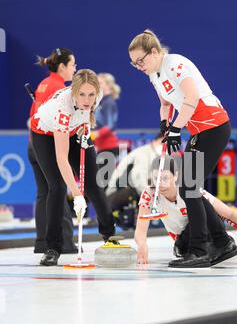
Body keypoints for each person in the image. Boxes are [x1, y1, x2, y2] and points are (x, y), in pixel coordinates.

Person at [128, 29, 237, 268]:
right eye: (134, 63)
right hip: (200, 129)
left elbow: (192, 98)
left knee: (188, 187)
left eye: (140, 60)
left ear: (154, 52)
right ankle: (223, 243)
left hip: (214, 125)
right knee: (190, 187)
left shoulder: (175, 64)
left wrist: (177, 128)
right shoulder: (154, 74)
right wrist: (165, 124)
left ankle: (200, 250)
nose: (138, 66)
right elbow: (165, 103)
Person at [30, 69, 116, 266]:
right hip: (45, 135)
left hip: (75, 131)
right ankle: (52, 247)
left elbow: (87, 111)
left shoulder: (99, 94)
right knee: (57, 187)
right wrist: (77, 194)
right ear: (74, 92)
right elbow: (62, 158)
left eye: (91, 94)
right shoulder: (62, 108)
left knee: (94, 185)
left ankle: (110, 237)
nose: (87, 100)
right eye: (82, 95)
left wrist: (85, 123)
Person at [135, 156, 237, 265]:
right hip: (184, 242)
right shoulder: (149, 194)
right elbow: (140, 230)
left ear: (175, 176)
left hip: (205, 232)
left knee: (203, 202)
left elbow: (229, 213)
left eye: (164, 178)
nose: (160, 184)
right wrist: (142, 244)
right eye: (156, 179)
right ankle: (212, 249)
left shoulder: (188, 190)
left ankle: (225, 243)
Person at [28, 47, 77, 254]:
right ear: (63, 66)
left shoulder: (43, 84)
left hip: (33, 143)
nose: (75, 69)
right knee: (57, 190)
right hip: (47, 145)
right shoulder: (59, 88)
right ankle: (63, 243)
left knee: (44, 193)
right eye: (73, 64)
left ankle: (42, 242)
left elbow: (31, 118)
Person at [106, 132, 163, 212]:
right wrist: (153, 198)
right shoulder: (144, 153)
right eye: (163, 143)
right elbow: (138, 181)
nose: (164, 147)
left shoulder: (157, 157)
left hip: (131, 193)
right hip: (116, 195)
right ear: (155, 141)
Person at [93, 73, 121, 155]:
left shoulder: (108, 103)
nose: (97, 85)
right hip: (102, 147)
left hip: (109, 147)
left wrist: (94, 134)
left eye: (100, 83)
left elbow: (110, 126)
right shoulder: (102, 102)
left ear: (109, 86)